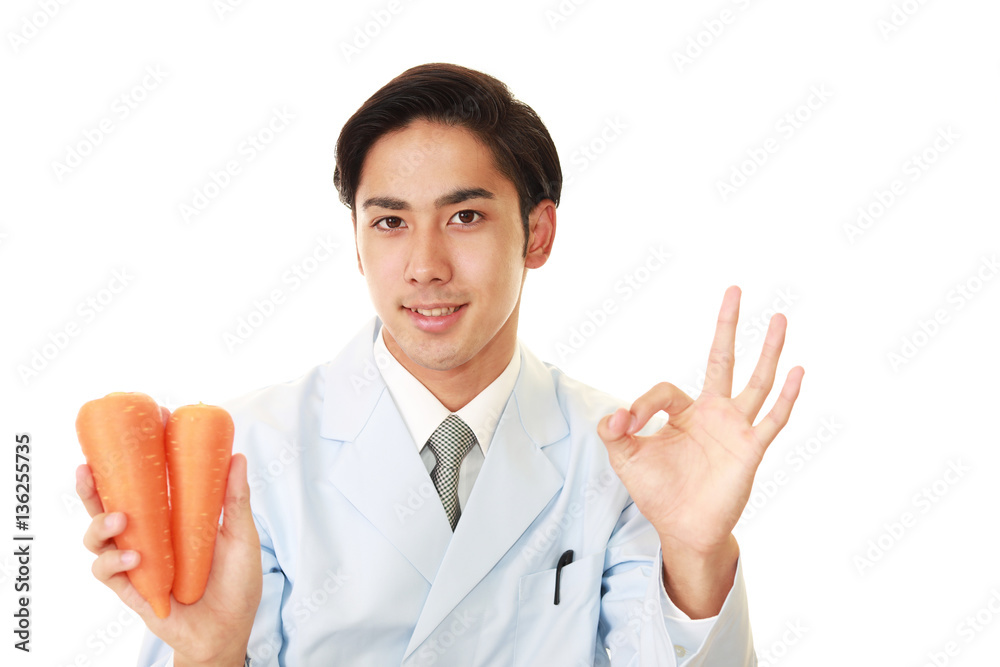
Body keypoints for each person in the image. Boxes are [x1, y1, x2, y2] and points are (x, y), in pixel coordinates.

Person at [77, 62, 803, 666]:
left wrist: (698, 553)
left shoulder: (623, 458)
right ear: (358, 243)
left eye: (465, 216)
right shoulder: (250, 452)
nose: (425, 265)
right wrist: (212, 655)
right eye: (390, 221)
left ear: (538, 233)